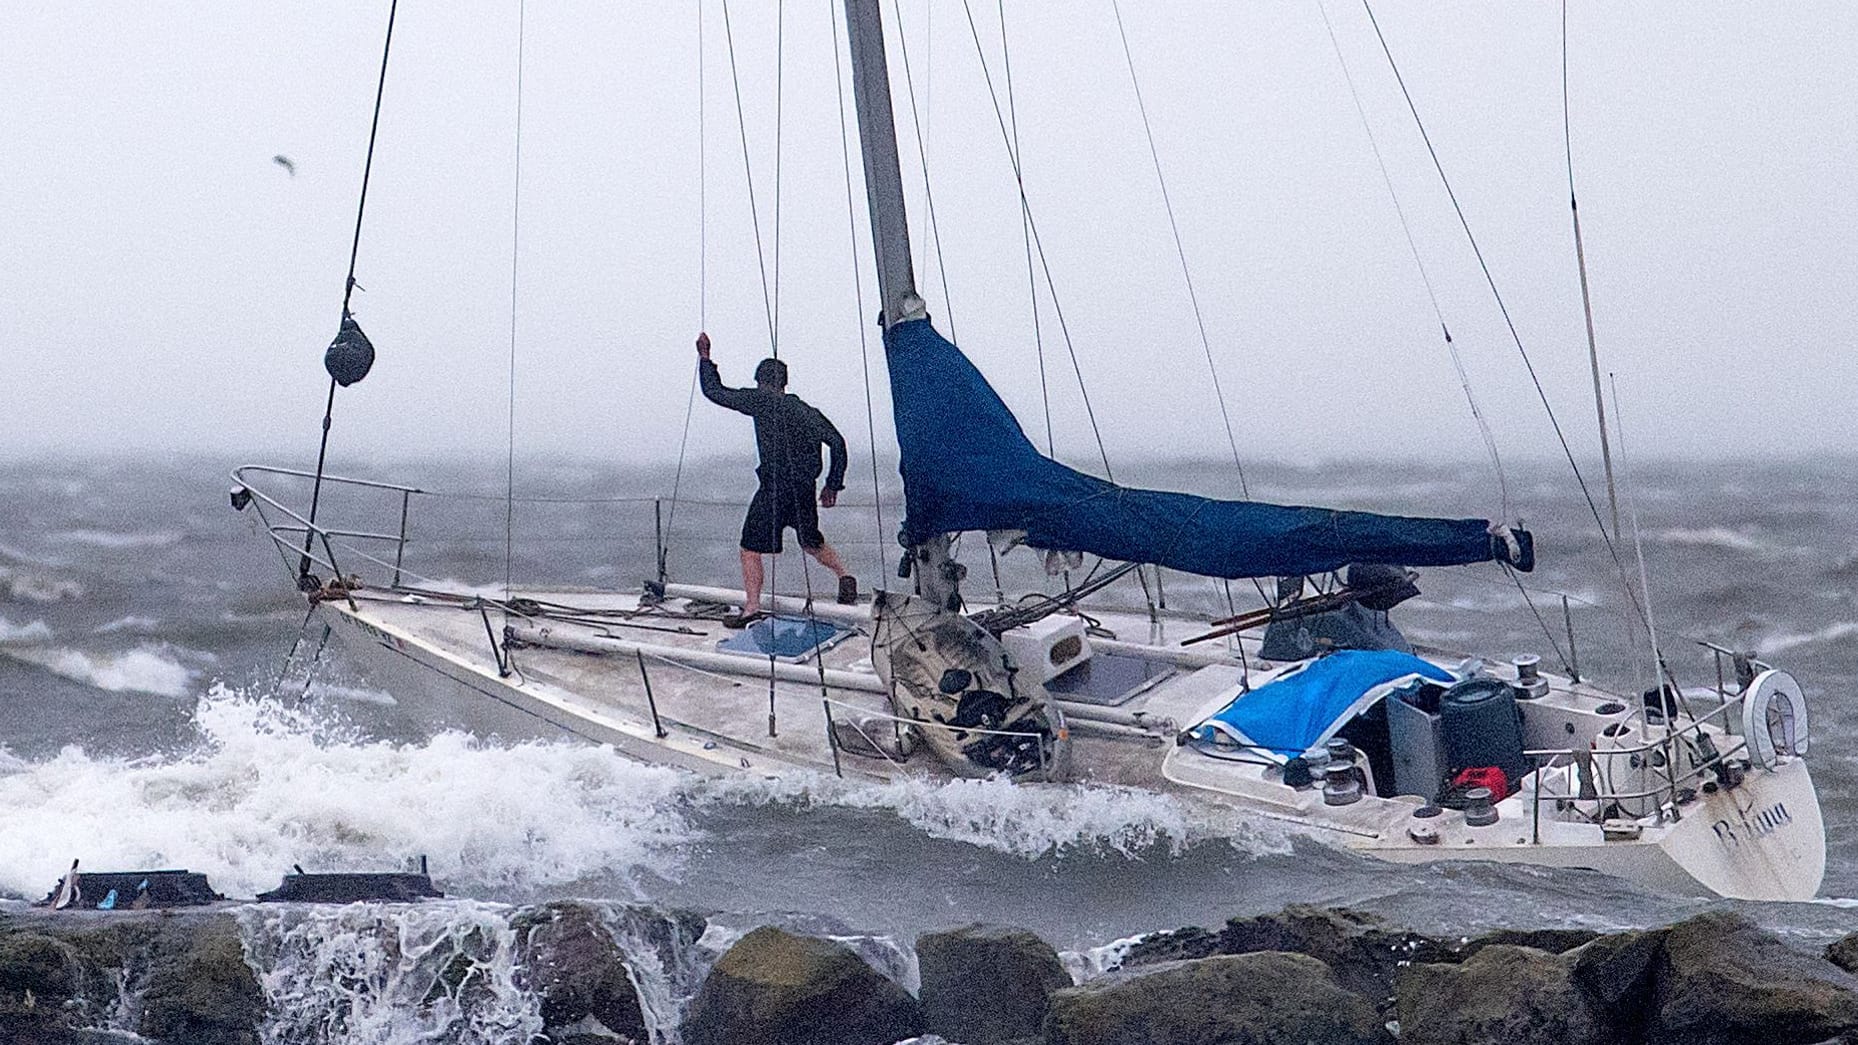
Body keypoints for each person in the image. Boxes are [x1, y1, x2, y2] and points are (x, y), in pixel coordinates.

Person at [696, 332, 856, 627]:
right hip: (804, 488)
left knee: (749, 547)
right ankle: (845, 577)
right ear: (785, 383)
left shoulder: (760, 400)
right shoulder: (807, 410)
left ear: (760, 382)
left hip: (775, 488)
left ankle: (752, 607)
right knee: (810, 541)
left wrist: (705, 358)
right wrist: (832, 485)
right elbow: (837, 442)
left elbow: (715, 392)